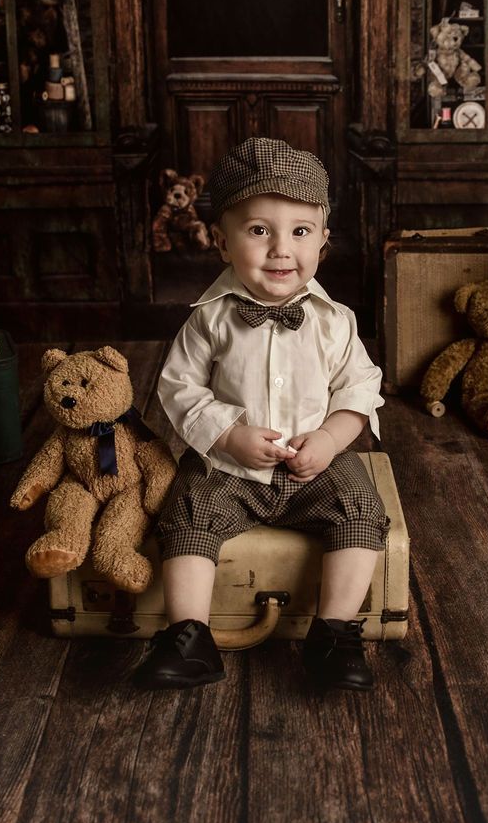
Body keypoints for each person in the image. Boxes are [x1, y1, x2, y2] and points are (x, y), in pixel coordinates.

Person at [135, 138, 387, 692]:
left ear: (324, 239)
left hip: (314, 468)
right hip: (230, 470)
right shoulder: (208, 320)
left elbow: (361, 388)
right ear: (221, 242)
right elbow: (178, 388)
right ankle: (190, 635)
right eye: (258, 231)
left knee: (361, 507)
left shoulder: (334, 321)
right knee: (188, 508)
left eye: (300, 231)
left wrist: (329, 438)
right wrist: (227, 435)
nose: (280, 250)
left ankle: (334, 631)